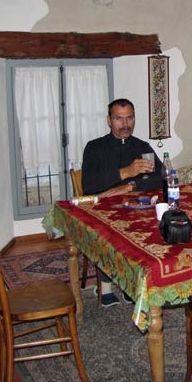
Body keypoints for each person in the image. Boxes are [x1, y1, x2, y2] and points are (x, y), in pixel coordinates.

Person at [81, 98, 162, 306]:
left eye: (129, 118)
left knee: (150, 225)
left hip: (136, 208)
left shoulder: (142, 147)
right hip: (104, 209)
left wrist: (129, 186)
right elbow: (89, 185)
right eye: (119, 119)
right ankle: (106, 285)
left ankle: (132, 282)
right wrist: (126, 172)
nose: (125, 124)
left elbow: (160, 177)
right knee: (106, 230)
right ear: (109, 120)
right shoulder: (94, 148)